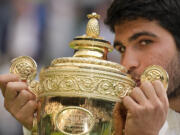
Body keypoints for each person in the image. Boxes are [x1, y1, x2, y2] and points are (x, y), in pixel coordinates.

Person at [0, 0, 180, 135]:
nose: (126, 64)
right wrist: (40, 125)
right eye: (121, 49)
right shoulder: (118, 117)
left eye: (145, 42)